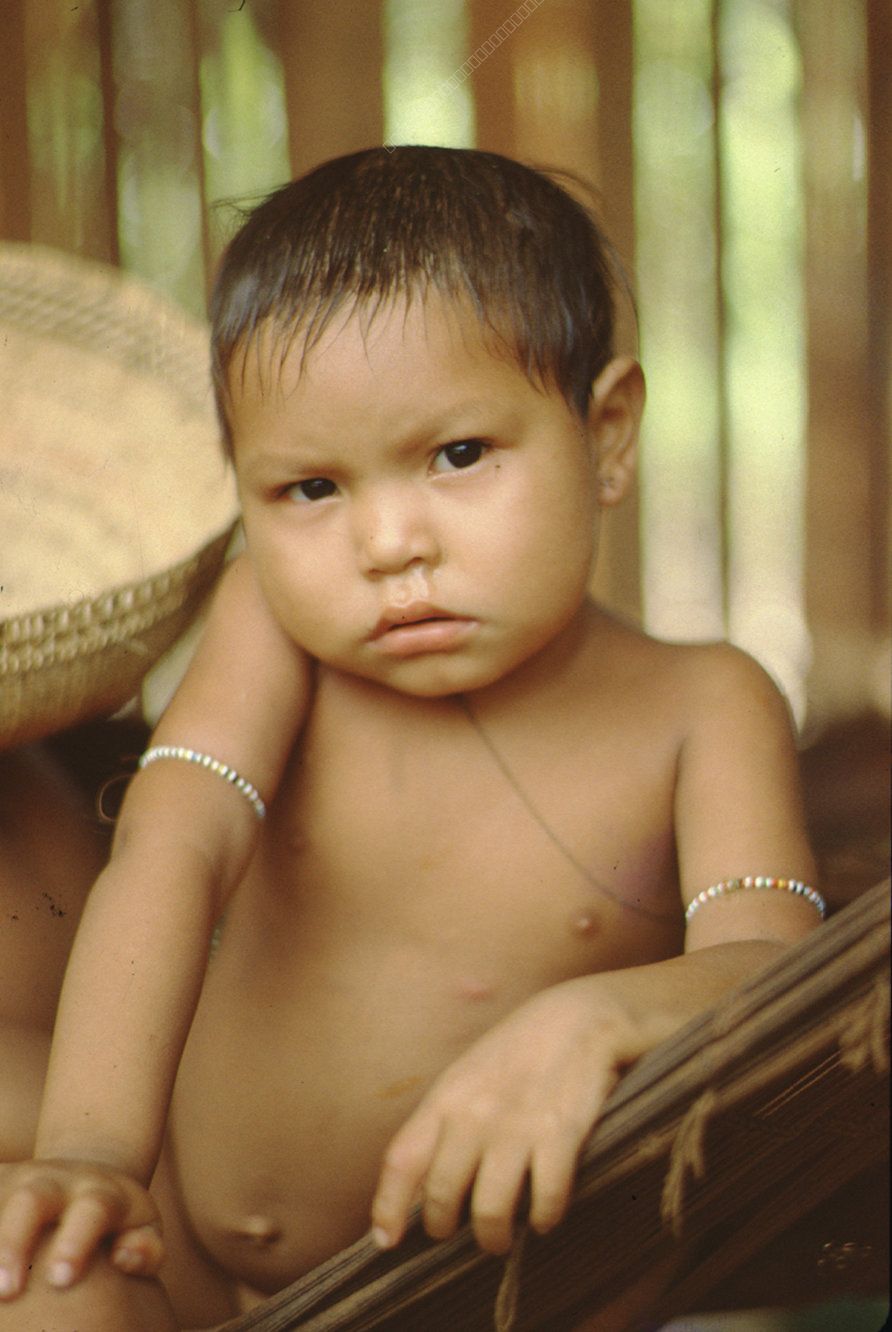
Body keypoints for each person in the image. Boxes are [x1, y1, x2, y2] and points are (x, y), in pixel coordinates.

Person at [0, 146, 823, 1331]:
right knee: (49, 1285)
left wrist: (597, 1016)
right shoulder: (278, 637)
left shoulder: (702, 707)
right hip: (182, 1250)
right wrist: (91, 1153)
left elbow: (777, 975)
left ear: (607, 434)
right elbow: (172, 857)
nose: (389, 543)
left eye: (457, 455)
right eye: (310, 490)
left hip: (485, 1302)